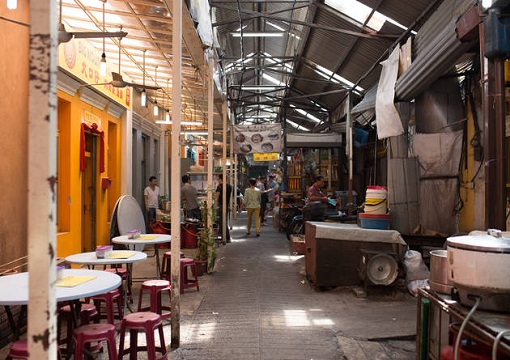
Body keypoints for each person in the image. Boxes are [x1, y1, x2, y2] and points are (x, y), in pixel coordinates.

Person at [215, 174, 232, 243]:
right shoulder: (229, 186)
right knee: (224, 221)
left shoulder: (219, 187)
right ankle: (225, 237)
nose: (217, 180)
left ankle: (226, 238)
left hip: (221, 206)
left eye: (218, 179)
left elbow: (216, 197)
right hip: (226, 205)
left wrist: (214, 206)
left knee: (221, 222)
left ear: (220, 179)